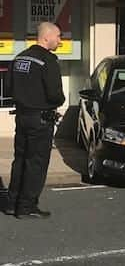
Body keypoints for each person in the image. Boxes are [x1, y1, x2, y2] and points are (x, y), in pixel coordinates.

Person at [4, 22, 65, 219]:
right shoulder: (48, 61)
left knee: (20, 160)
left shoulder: (19, 58)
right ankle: (26, 207)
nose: (60, 41)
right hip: (40, 120)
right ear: (46, 37)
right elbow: (55, 95)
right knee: (36, 163)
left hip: (22, 117)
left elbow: (9, 89)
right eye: (58, 36)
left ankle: (12, 203)